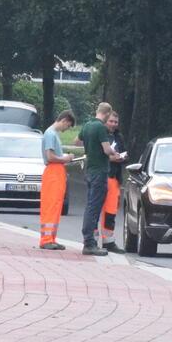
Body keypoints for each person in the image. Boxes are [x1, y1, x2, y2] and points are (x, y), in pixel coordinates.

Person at [77, 102, 122, 256]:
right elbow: (106, 149)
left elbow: (77, 141)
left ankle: (88, 240)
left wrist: (91, 148)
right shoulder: (100, 128)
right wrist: (114, 153)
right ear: (107, 114)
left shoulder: (87, 125)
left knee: (89, 206)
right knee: (94, 207)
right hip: (99, 172)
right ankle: (89, 243)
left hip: (89, 170)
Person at [38, 109, 76, 250]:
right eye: (67, 126)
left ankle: (51, 238)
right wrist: (65, 158)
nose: (66, 129)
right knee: (51, 205)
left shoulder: (53, 134)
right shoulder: (50, 134)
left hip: (57, 171)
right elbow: (50, 156)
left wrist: (64, 158)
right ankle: (46, 239)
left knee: (56, 205)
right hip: (53, 171)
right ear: (64, 120)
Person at [100, 111, 127, 251]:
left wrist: (122, 157)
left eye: (116, 122)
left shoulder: (118, 136)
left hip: (115, 177)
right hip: (103, 175)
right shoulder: (100, 134)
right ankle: (91, 240)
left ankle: (108, 241)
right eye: (111, 121)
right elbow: (96, 154)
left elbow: (125, 152)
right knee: (96, 208)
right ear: (105, 121)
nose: (113, 124)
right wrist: (111, 158)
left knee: (111, 211)